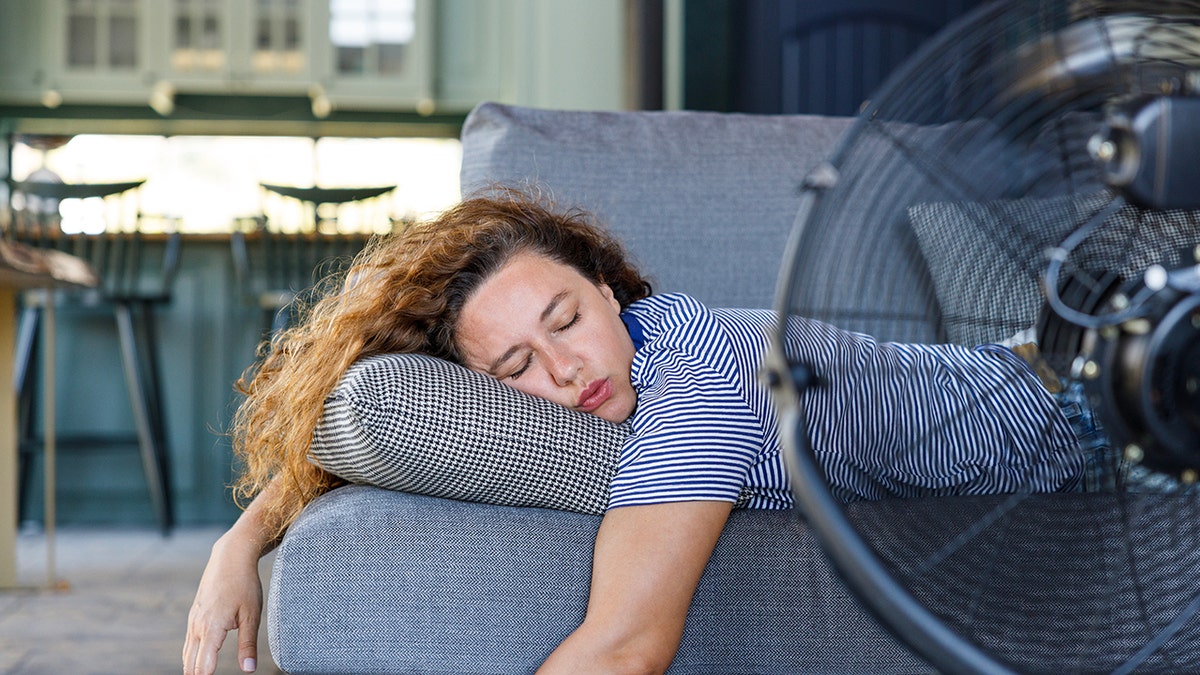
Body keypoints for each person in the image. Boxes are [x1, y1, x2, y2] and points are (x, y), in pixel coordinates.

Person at [182, 190, 1085, 675]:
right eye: (516, 369)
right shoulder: (649, 360)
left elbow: (624, 649)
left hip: (1078, 409)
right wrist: (242, 539)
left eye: (565, 318)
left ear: (609, 288)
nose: (565, 371)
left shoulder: (695, 394)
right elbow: (368, 409)